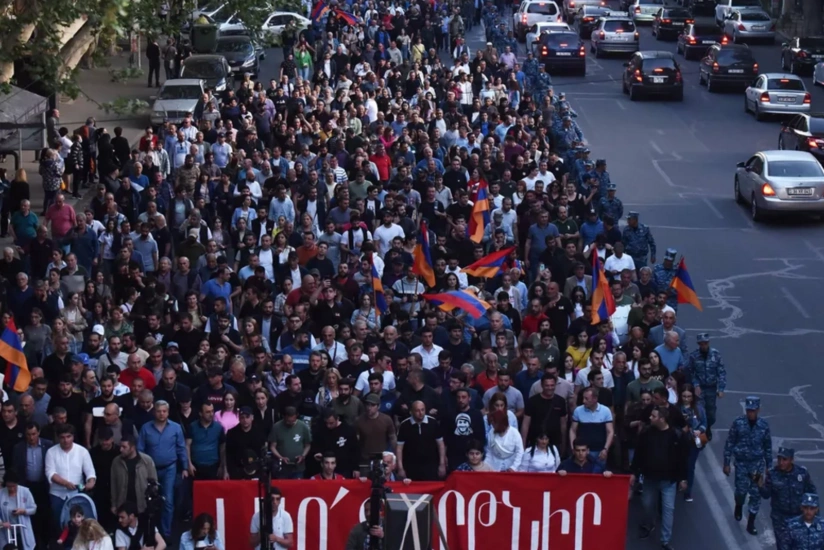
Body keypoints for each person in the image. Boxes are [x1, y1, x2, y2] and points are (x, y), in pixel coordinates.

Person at [630, 406, 690, 550]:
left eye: (653, 416)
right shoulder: (646, 433)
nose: (650, 418)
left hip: (668, 481)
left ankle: (665, 540)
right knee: (647, 505)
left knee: (668, 509)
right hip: (650, 479)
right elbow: (639, 454)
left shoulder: (676, 435)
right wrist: (634, 473)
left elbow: (683, 459)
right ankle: (649, 524)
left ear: (662, 419)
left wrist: (683, 478)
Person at [723, 395, 772, 535]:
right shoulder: (738, 423)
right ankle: (739, 505)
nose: (750, 413)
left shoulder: (763, 426)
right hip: (742, 465)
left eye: (753, 410)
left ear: (758, 410)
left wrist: (769, 466)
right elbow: (730, 443)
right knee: (740, 492)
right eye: (748, 410)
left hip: (756, 466)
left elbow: (768, 446)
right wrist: (726, 463)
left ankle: (751, 523)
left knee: (756, 494)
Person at [758, 447, 816, 550]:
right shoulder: (772, 474)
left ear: (791, 460)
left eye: (784, 459)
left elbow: (812, 494)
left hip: (798, 517)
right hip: (780, 518)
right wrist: (760, 485)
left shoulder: (802, 474)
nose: (781, 462)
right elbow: (766, 495)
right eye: (779, 459)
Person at [45, 424, 96, 529]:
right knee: (58, 524)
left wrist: (90, 482)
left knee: (78, 525)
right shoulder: (51, 452)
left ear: (73, 437)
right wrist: (65, 483)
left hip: (77, 494)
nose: (66, 440)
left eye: (68, 437)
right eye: (63, 437)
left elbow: (90, 473)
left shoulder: (82, 451)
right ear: (58, 438)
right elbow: (50, 473)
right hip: (57, 495)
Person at [396, 400, 447, 481]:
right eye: (417, 410)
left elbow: (440, 444)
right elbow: (399, 448)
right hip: (411, 466)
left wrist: (442, 464)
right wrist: (400, 468)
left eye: (422, 410)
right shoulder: (404, 425)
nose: (420, 413)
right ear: (411, 412)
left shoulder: (433, 422)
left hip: (431, 465)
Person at [110, 434, 158, 516]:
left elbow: (154, 483)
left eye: (124, 447)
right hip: (123, 505)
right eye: (120, 446)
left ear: (132, 447)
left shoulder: (146, 461)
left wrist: (151, 503)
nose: (121, 449)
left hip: (142, 505)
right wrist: (114, 504)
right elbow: (113, 485)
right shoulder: (116, 462)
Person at [0, 471, 36, 550]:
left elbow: (33, 508)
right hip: (7, 530)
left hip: (22, 529)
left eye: (14, 486)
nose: (12, 489)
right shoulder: (1, 494)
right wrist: (2, 523)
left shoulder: (25, 491)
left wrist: (23, 511)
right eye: (9, 486)